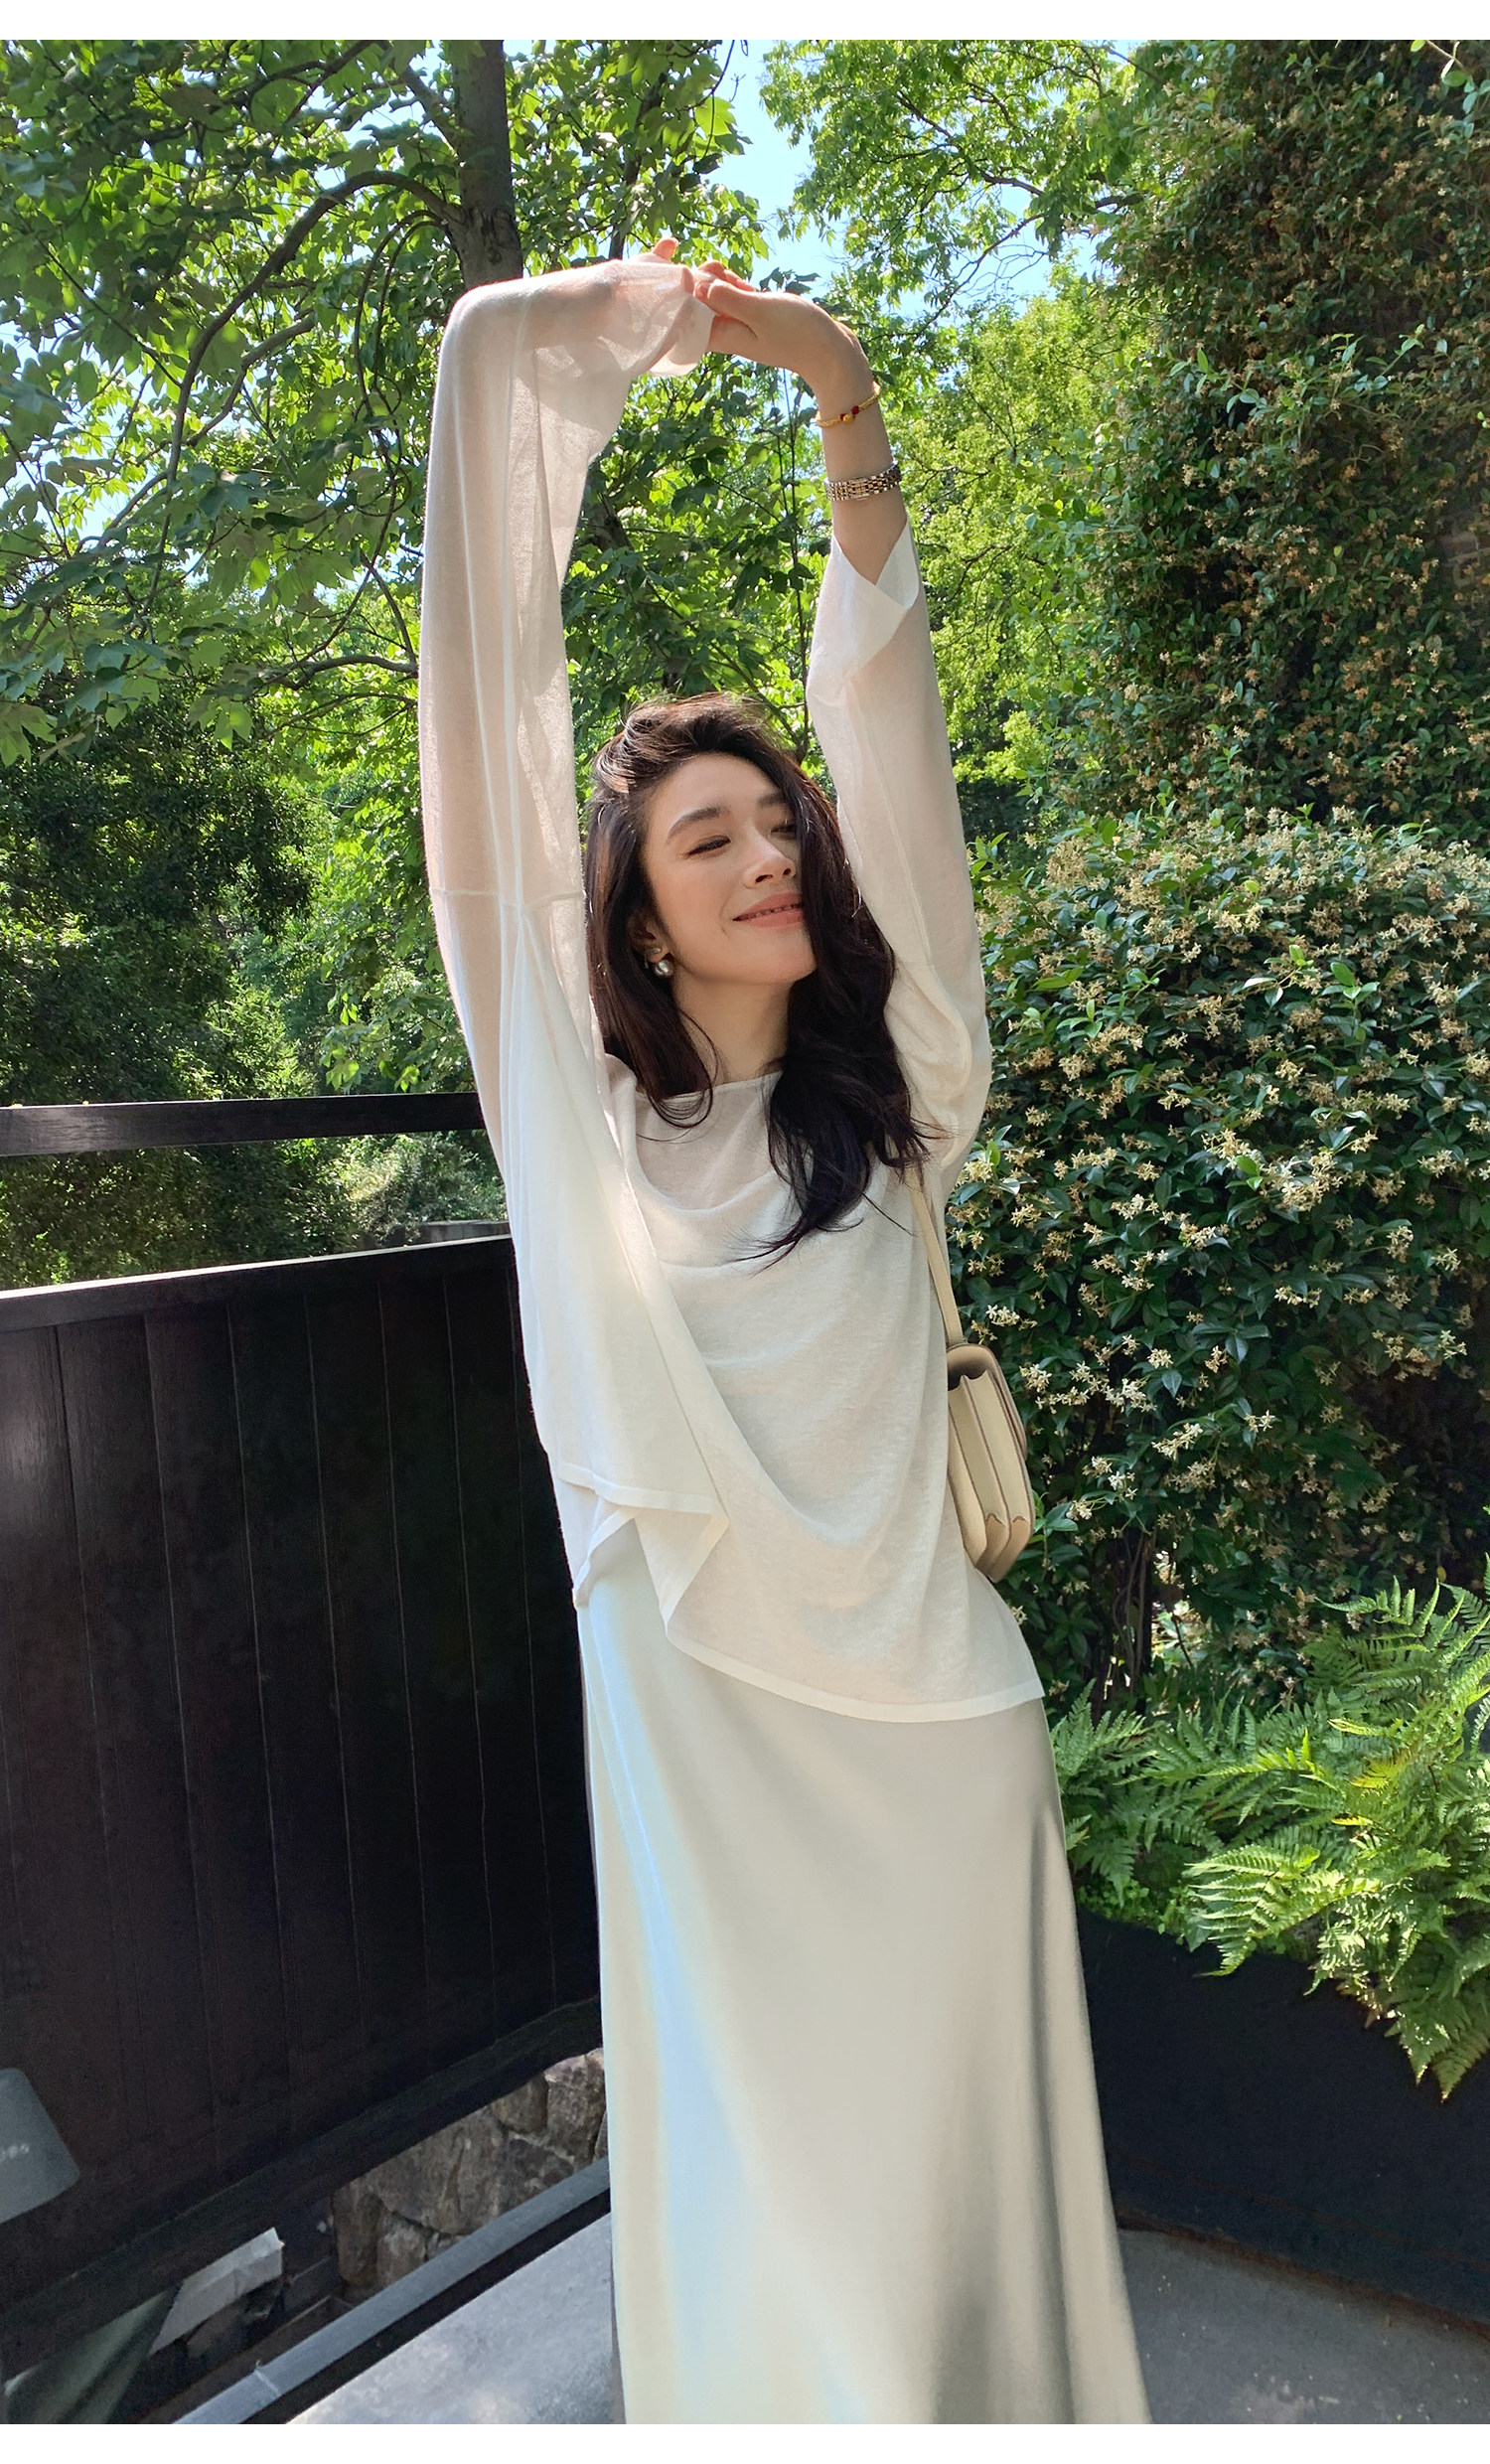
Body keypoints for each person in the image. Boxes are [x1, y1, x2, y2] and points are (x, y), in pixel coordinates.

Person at [419, 237, 1149, 2427]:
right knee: (798, 2230)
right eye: (703, 839)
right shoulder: (581, 1132)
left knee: (953, 2235)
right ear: (635, 915)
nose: (760, 857)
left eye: (775, 826)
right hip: (723, 1761)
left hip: (940, 1737)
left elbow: (893, 731)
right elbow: (484, 727)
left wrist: (844, 400)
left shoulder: (903, 1080)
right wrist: (528, 349)